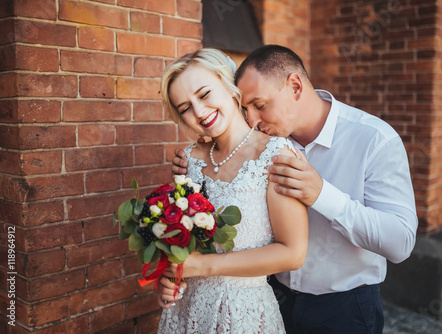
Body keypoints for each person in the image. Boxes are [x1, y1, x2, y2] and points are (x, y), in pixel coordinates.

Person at [169, 45, 418, 333]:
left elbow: (400, 243)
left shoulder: (374, 140)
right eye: (244, 107)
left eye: (259, 106)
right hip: (271, 298)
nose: (252, 120)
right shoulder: (263, 142)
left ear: (295, 86)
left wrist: (321, 194)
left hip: (343, 308)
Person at [156, 48, 308, 333]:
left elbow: (293, 253)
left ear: (229, 86)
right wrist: (171, 280)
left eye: (204, 94)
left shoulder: (275, 155)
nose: (199, 113)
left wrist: (203, 266)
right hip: (186, 313)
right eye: (185, 108)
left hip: (243, 314)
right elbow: (182, 245)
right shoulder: (187, 161)